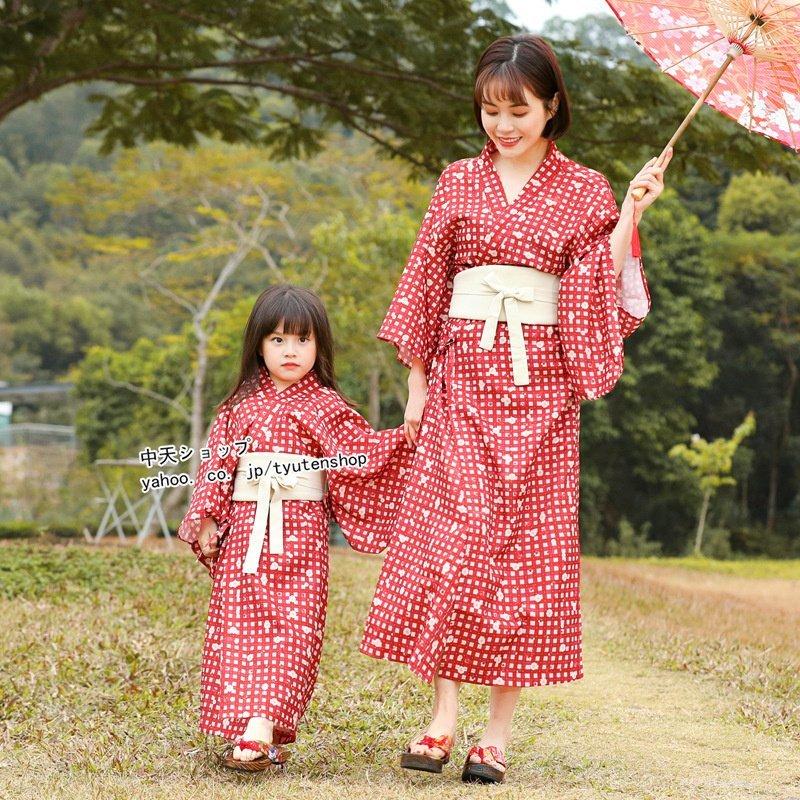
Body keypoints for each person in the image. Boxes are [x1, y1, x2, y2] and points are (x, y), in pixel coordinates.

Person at [358, 34, 671, 784]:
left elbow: (603, 287)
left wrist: (631, 211)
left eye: (518, 109)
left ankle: (496, 733)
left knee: (520, 558)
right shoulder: (458, 180)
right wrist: (416, 382)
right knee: (451, 542)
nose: (502, 124)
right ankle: (441, 716)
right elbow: (427, 277)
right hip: (461, 377)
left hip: (541, 393)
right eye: (490, 110)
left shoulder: (587, 188)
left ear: (551, 106)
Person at [177, 284, 410, 771]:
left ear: (319, 347)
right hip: (244, 533)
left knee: (294, 632)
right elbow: (218, 467)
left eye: (302, 340)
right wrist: (206, 518)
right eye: (278, 339)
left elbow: (361, 459)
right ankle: (248, 728)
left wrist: (412, 437)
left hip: (301, 537)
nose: (290, 351)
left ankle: (263, 726)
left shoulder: (326, 406)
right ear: (259, 345)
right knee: (238, 631)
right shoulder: (238, 406)